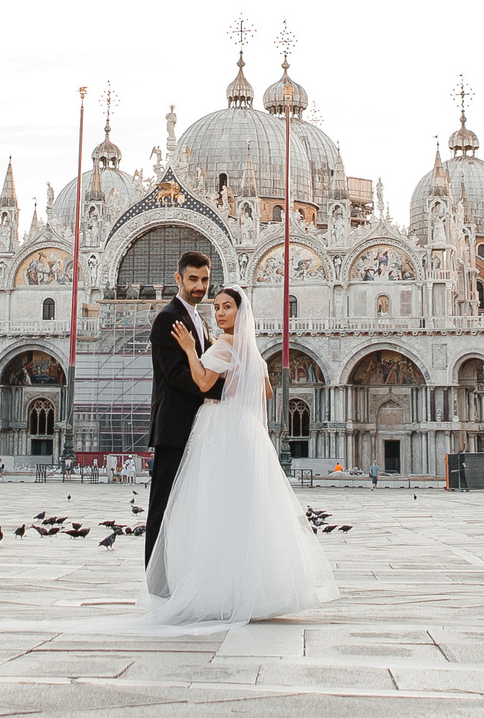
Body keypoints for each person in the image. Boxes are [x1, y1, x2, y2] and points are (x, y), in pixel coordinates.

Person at [136, 285, 340, 626]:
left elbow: (202, 383)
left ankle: (214, 590)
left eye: (226, 308)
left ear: (239, 313)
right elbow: (268, 390)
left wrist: (189, 349)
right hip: (246, 432)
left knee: (212, 509)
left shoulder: (225, 344)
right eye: (216, 308)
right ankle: (252, 591)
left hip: (219, 429)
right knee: (245, 510)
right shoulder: (250, 350)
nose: (219, 313)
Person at [144, 250, 223, 570]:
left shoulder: (199, 319)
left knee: (187, 504)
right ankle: (154, 576)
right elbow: (176, 376)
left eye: (204, 279)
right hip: (174, 426)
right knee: (162, 504)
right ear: (178, 279)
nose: (199, 285)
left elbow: (203, 367)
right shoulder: (168, 318)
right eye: (193, 279)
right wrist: (221, 389)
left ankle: (180, 571)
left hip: (197, 425)